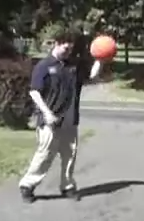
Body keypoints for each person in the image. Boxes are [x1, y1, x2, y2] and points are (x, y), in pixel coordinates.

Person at [18, 29, 102, 203]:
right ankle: (27, 185)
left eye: (70, 49)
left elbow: (92, 77)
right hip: (50, 120)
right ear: (56, 44)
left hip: (70, 119)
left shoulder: (73, 66)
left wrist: (100, 59)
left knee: (69, 154)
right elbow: (34, 92)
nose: (68, 52)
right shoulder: (44, 66)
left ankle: (67, 186)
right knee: (45, 154)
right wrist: (47, 113)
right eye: (65, 49)